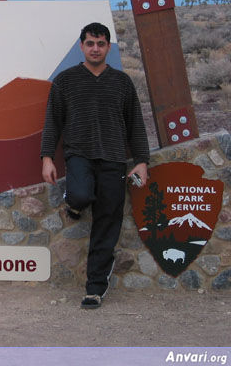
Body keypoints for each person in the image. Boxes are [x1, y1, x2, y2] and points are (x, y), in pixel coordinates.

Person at [40, 22, 149, 309]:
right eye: (90, 43)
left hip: (114, 159)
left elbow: (136, 124)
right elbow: (53, 122)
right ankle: (74, 205)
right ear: (82, 46)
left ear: (108, 47)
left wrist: (141, 161)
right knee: (79, 195)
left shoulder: (122, 83)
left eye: (101, 44)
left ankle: (95, 287)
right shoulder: (66, 81)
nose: (96, 48)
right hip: (79, 155)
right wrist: (47, 157)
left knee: (107, 222)